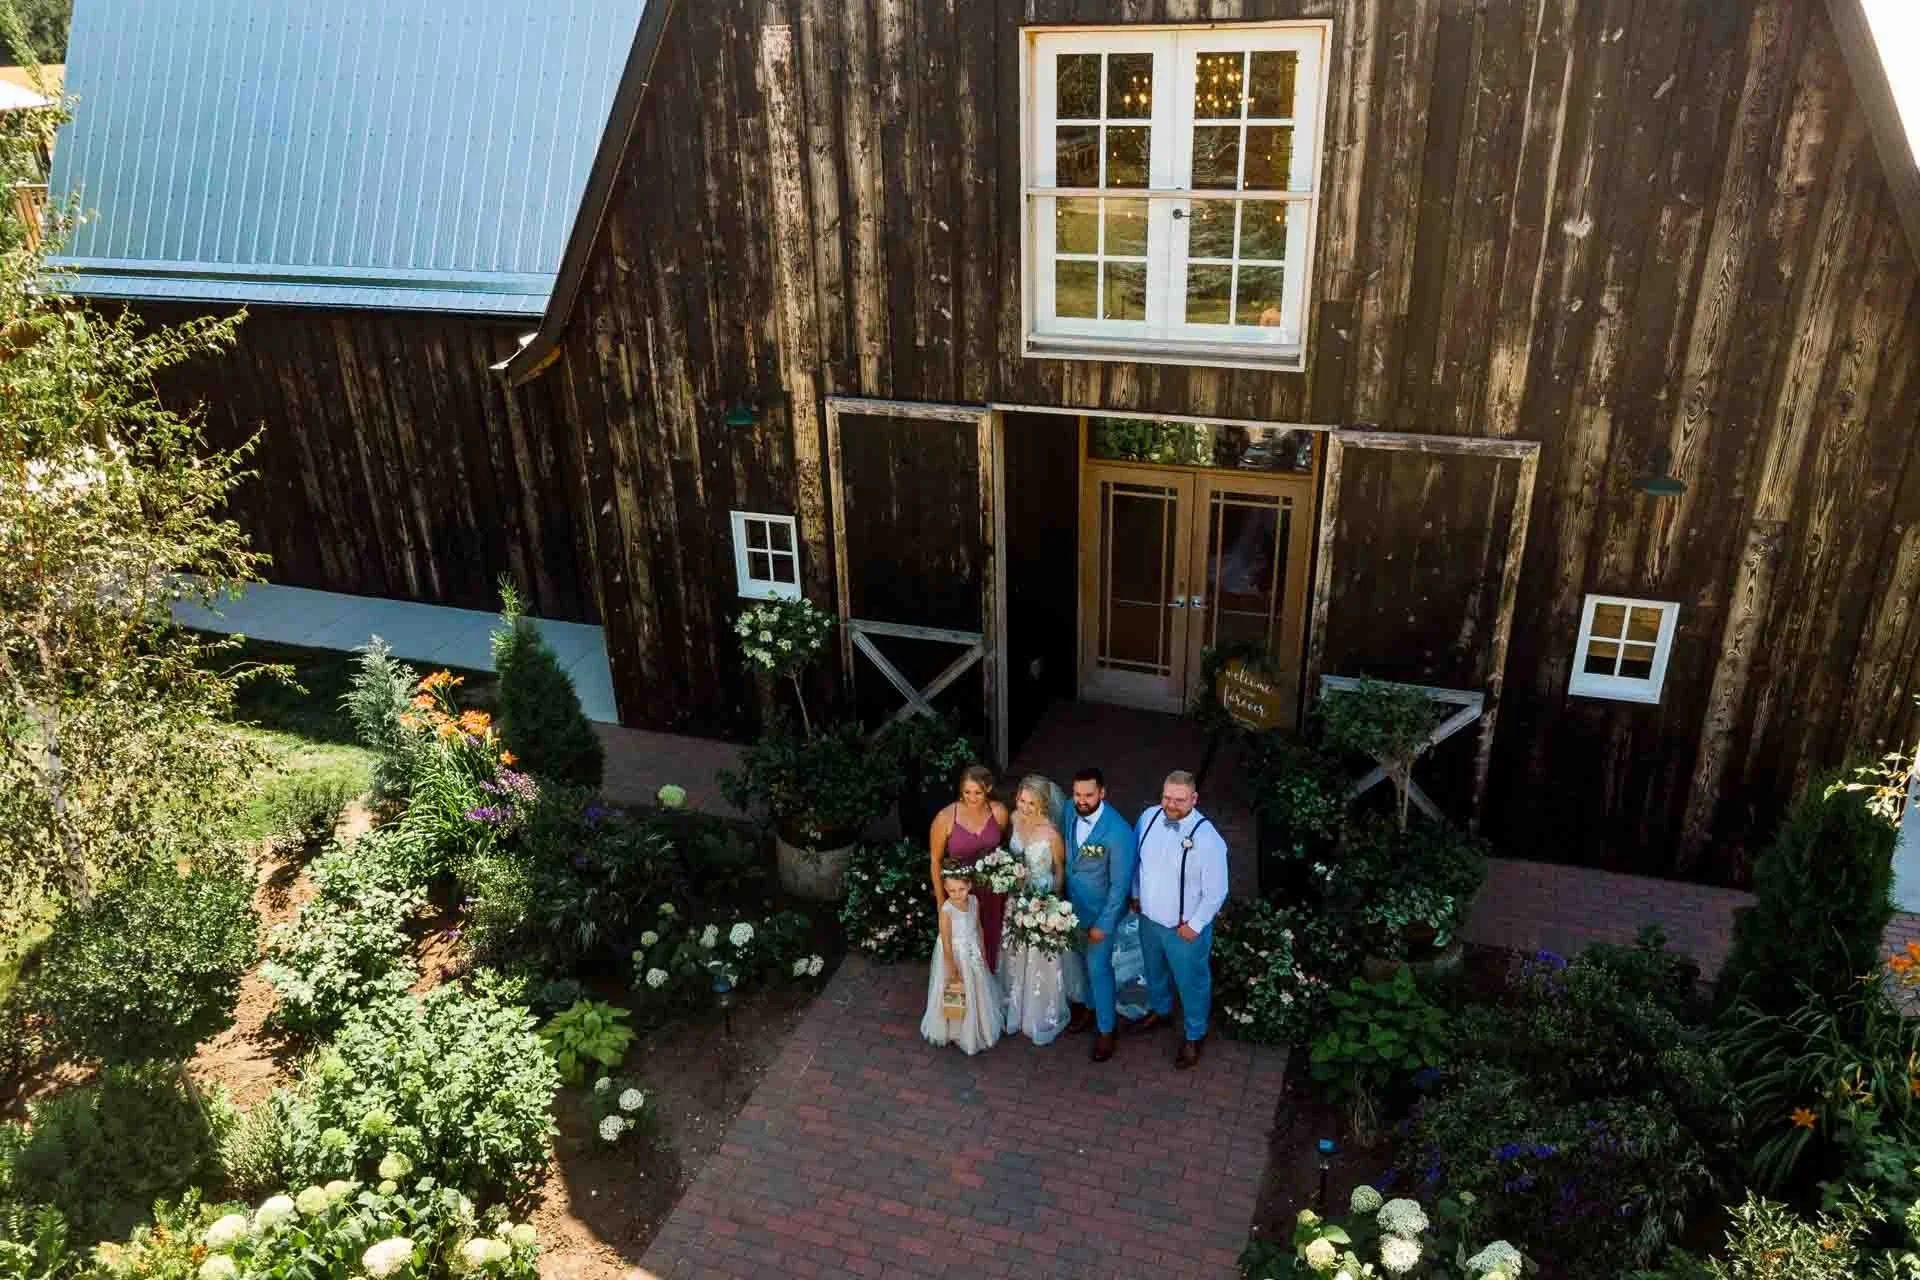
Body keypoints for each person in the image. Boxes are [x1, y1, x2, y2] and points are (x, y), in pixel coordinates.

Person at [1127, 770, 1227, 1069]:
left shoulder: (1209, 839)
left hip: (1183, 929)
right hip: (1149, 918)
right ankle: (1161, 1009)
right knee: (1153, 969)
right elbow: (1138, 862)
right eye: (1167, 797)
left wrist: (1195, 926)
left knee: (1192, 982)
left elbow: (1216, 891)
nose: (1170, 805)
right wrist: (1135, 893)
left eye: (1179, 800)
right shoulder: (1148, 817)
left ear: (1194, 799)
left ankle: (1195, 1034)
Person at [1001, 775, 1084, 1045]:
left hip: (1040, 902)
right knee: (1013, 953)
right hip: (1015, 899)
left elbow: (1059, 871)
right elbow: (1012, 856)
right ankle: (1013, 1002)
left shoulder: (1051, 834)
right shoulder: (1014, 820)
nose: (1024, 807)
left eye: (1030, 803)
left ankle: (1038, 1012)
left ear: (1043, 804)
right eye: (1021, 800)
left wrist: (1052, 905)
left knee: (1037, 956)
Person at [1064, 767, 1138, 1063]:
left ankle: (1107, 1030)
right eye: (1078, 794)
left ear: (1102, 793)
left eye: (1089, 795)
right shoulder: (1070, 811)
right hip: (1072, 910)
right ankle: (1091, 1009)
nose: (1082, 800)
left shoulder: (1118, 831)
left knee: (1100, 970)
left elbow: (1120, 886)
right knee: (1083, 965)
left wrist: (1104, 925)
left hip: (1099, 916)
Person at [929, 764, 1009, 973]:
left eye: (978, 793)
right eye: (966, 792)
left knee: (992, 940)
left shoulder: (999, 812)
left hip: (993, 893)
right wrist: (940, 903)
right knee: (965, 948)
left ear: (988, 789)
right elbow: (935, 861)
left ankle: (990, 990)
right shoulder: (945, 818)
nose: (971, 798)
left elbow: (1001, 849)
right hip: (961, 895)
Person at [920, 866, 1003, 1055]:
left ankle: (978, 1024)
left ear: (970, 885)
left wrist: (981, 949)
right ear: (945, 888)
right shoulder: (946, 910)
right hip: (955, 954)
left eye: (961, 889)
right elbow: (947, 942)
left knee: (976, 987)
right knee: (956, 989)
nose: (957, 894)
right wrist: (951, 967)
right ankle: (954, 1029)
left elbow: (978, 926)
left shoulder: (973, 901)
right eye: (951, 890)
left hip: (972, 951)